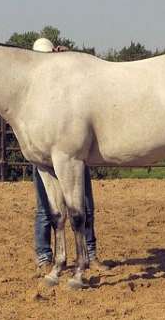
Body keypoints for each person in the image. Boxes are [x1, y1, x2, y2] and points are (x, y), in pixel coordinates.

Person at [31, 38, 107, 276]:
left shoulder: (62, 84)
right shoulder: (31, 86)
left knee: (84, 205)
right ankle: (45, 255)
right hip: (44, 152)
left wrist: (69, 57)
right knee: (47, 209)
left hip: (71, 150)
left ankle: (89, 253)